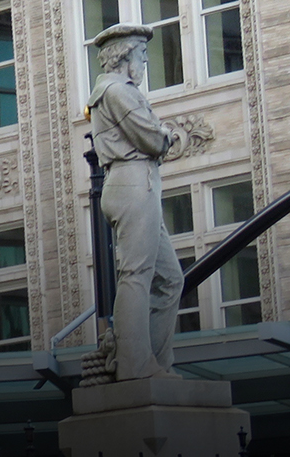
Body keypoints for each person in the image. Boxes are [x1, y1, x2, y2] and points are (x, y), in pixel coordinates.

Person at [88, 23, 183, 381]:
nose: (145, 62)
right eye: (142, 55)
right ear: (125, 55)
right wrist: (167, 136)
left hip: (136, 183)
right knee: (136, 276)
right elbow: (150, 139)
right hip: (132, 182)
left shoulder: (113, 91)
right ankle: (134, 363)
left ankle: (152, 363)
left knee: (170, 280)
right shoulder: (117, 90)